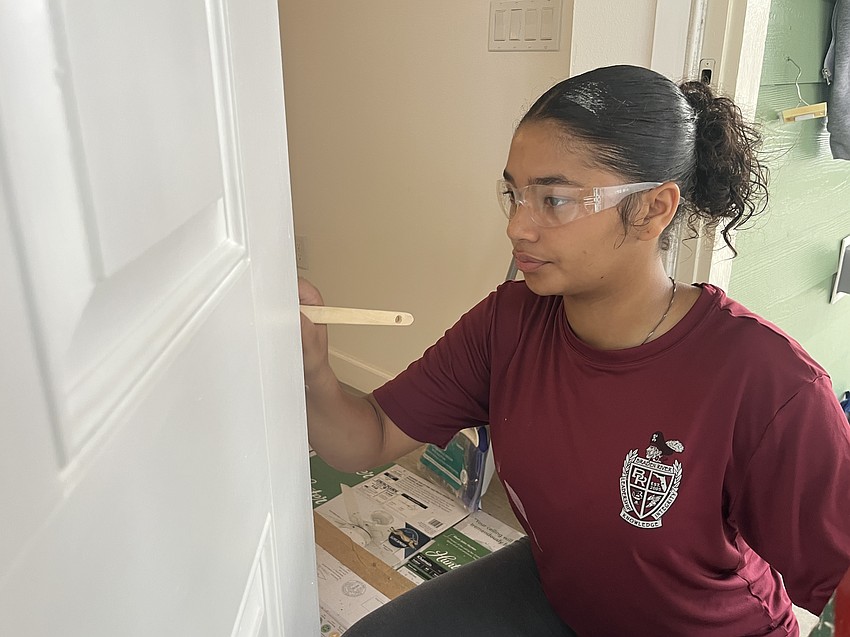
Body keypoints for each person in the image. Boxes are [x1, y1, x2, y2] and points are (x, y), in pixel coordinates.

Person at [299, 65, 850, 636]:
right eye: (513, 194)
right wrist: (314, 369)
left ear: (653, 209)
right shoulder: (510, 321)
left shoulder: (768, 382)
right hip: (566, 592)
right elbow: (369, 436)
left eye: (554, 200)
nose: (518, 227)